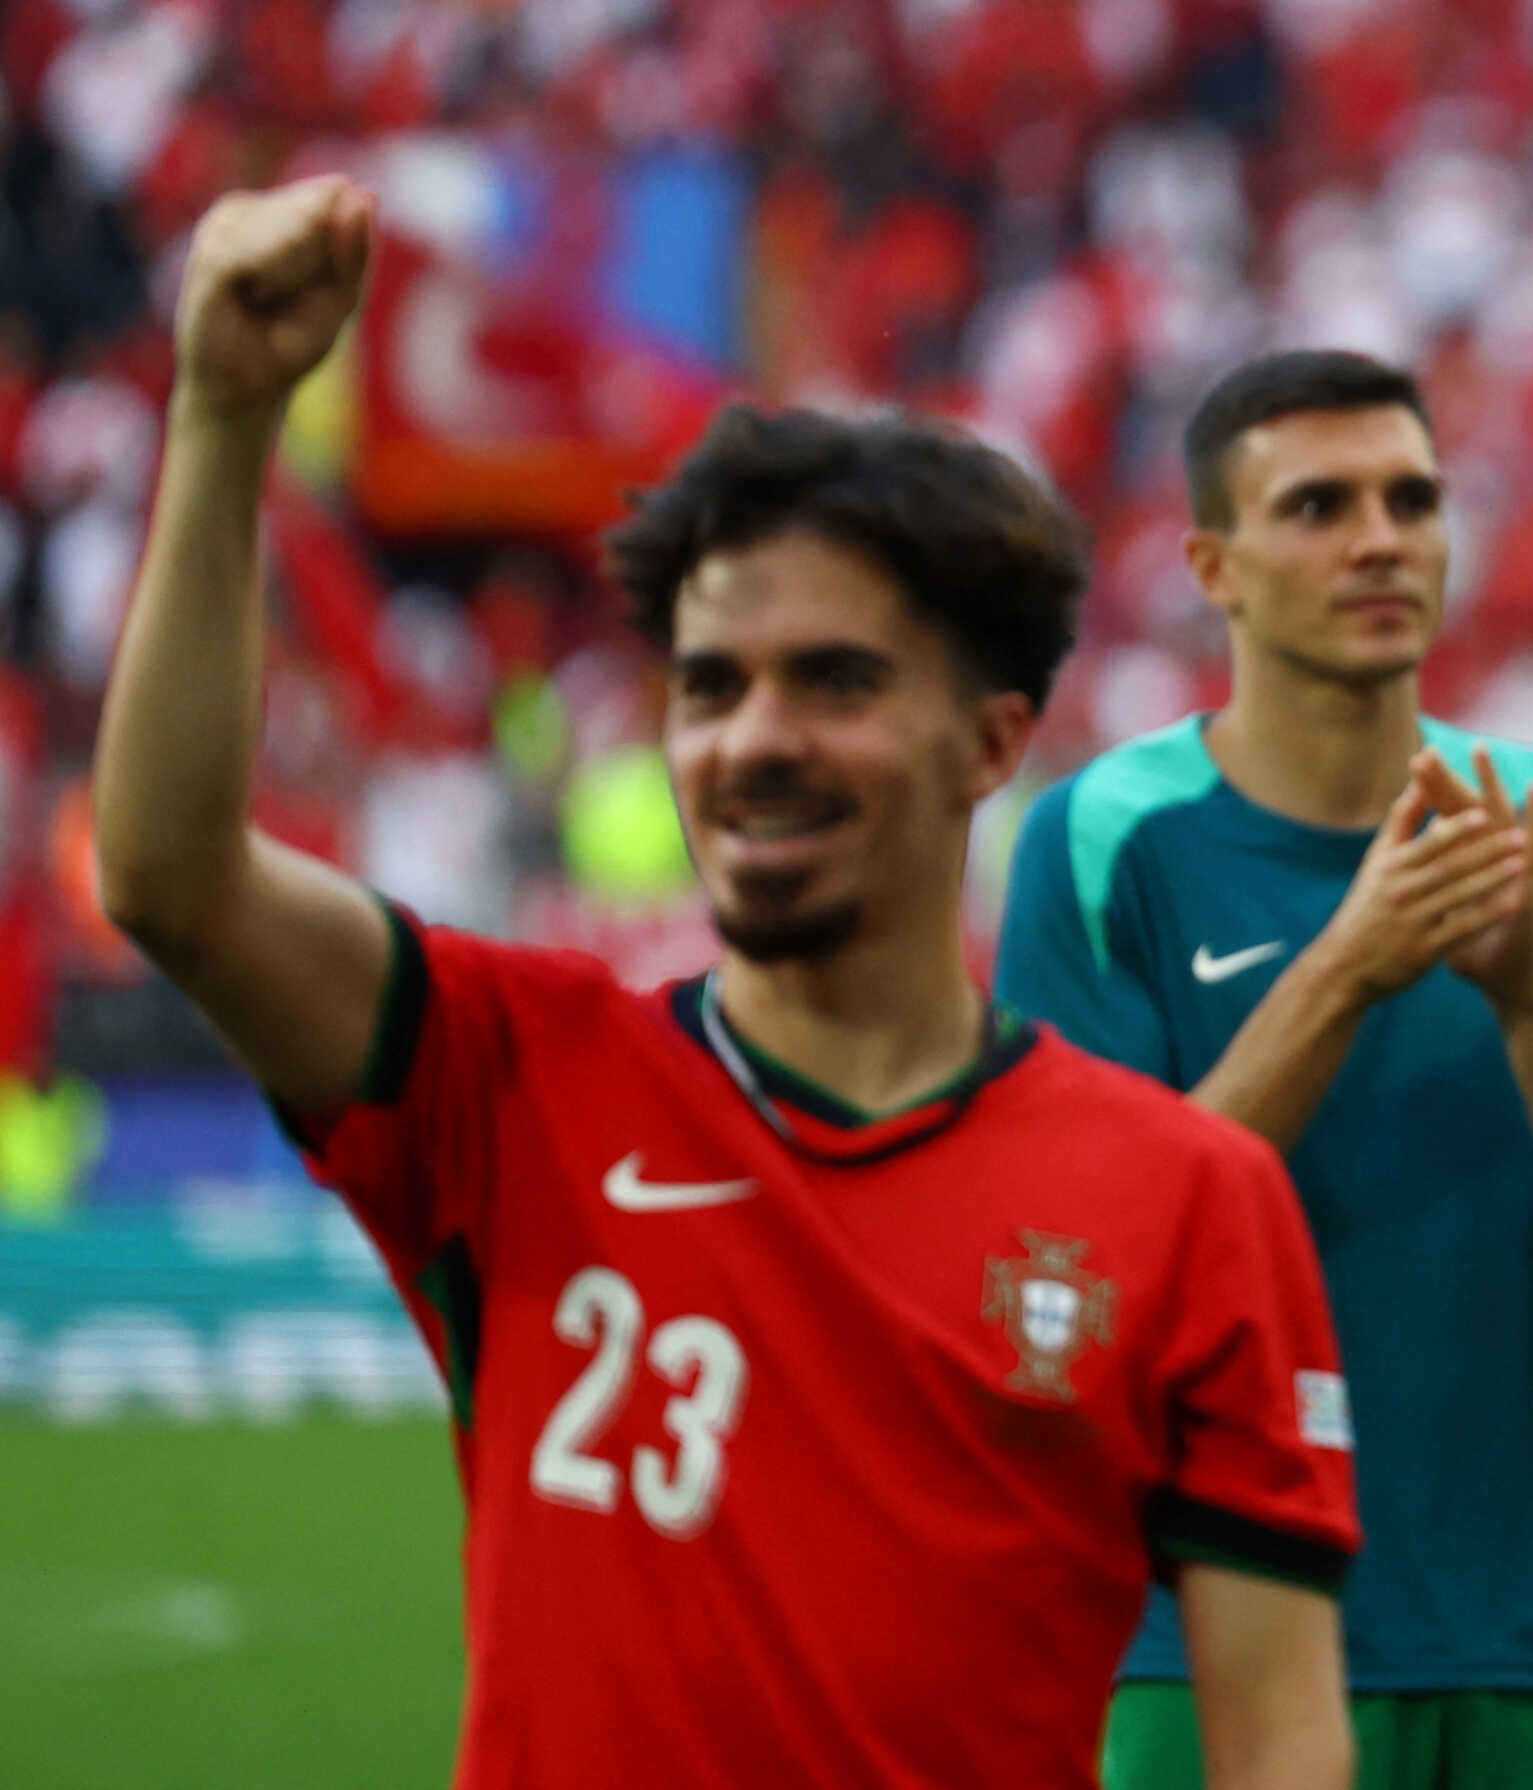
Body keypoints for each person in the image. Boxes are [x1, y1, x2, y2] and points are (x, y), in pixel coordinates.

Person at [92, 176, 1360, 1790]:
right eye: (711, 685)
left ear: (991, 740)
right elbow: (170, 877)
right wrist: (223, 418)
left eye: (835, 681)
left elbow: (1275, 1744)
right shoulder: (510, 1074)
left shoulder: (1189, 1200)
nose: (755, 738)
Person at [996, 350, 1533, 1790]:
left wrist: (1528, 1006)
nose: (1380, 536)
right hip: (1219, 1646)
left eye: (1411, 498)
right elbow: (1100, 1254)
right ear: (1212, 566)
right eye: (1317, 505)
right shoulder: (1106, 839)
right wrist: (1347, 967)